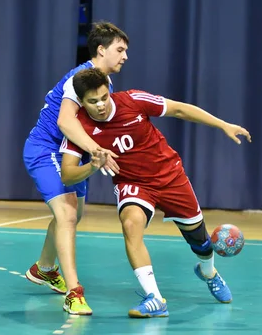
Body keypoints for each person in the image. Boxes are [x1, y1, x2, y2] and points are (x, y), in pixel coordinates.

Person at [59, 68, 251, 318]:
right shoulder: (80, 127)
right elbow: (67, 174)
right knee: (130, 224)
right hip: (133, 183)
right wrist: (92, 165)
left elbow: (179, 109)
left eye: (104, 97)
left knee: (201, 243)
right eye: (92, 102)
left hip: (170, 176)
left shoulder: (133, 101)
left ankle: (208, 272)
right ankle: (155, 298)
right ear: (81, 102)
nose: (101, 106)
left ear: (110, 90)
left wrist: (222, 124)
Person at [23, 22, 129, 315]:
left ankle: (44, 268)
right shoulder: (78, 79)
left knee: (73, 214)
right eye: (119, 50)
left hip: (73, 153)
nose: (125, 56)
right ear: (101, 50)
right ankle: (74, 291)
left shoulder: (104, 83)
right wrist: (97, 151)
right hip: (46, 149)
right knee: (67, 214)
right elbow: (65, 122)